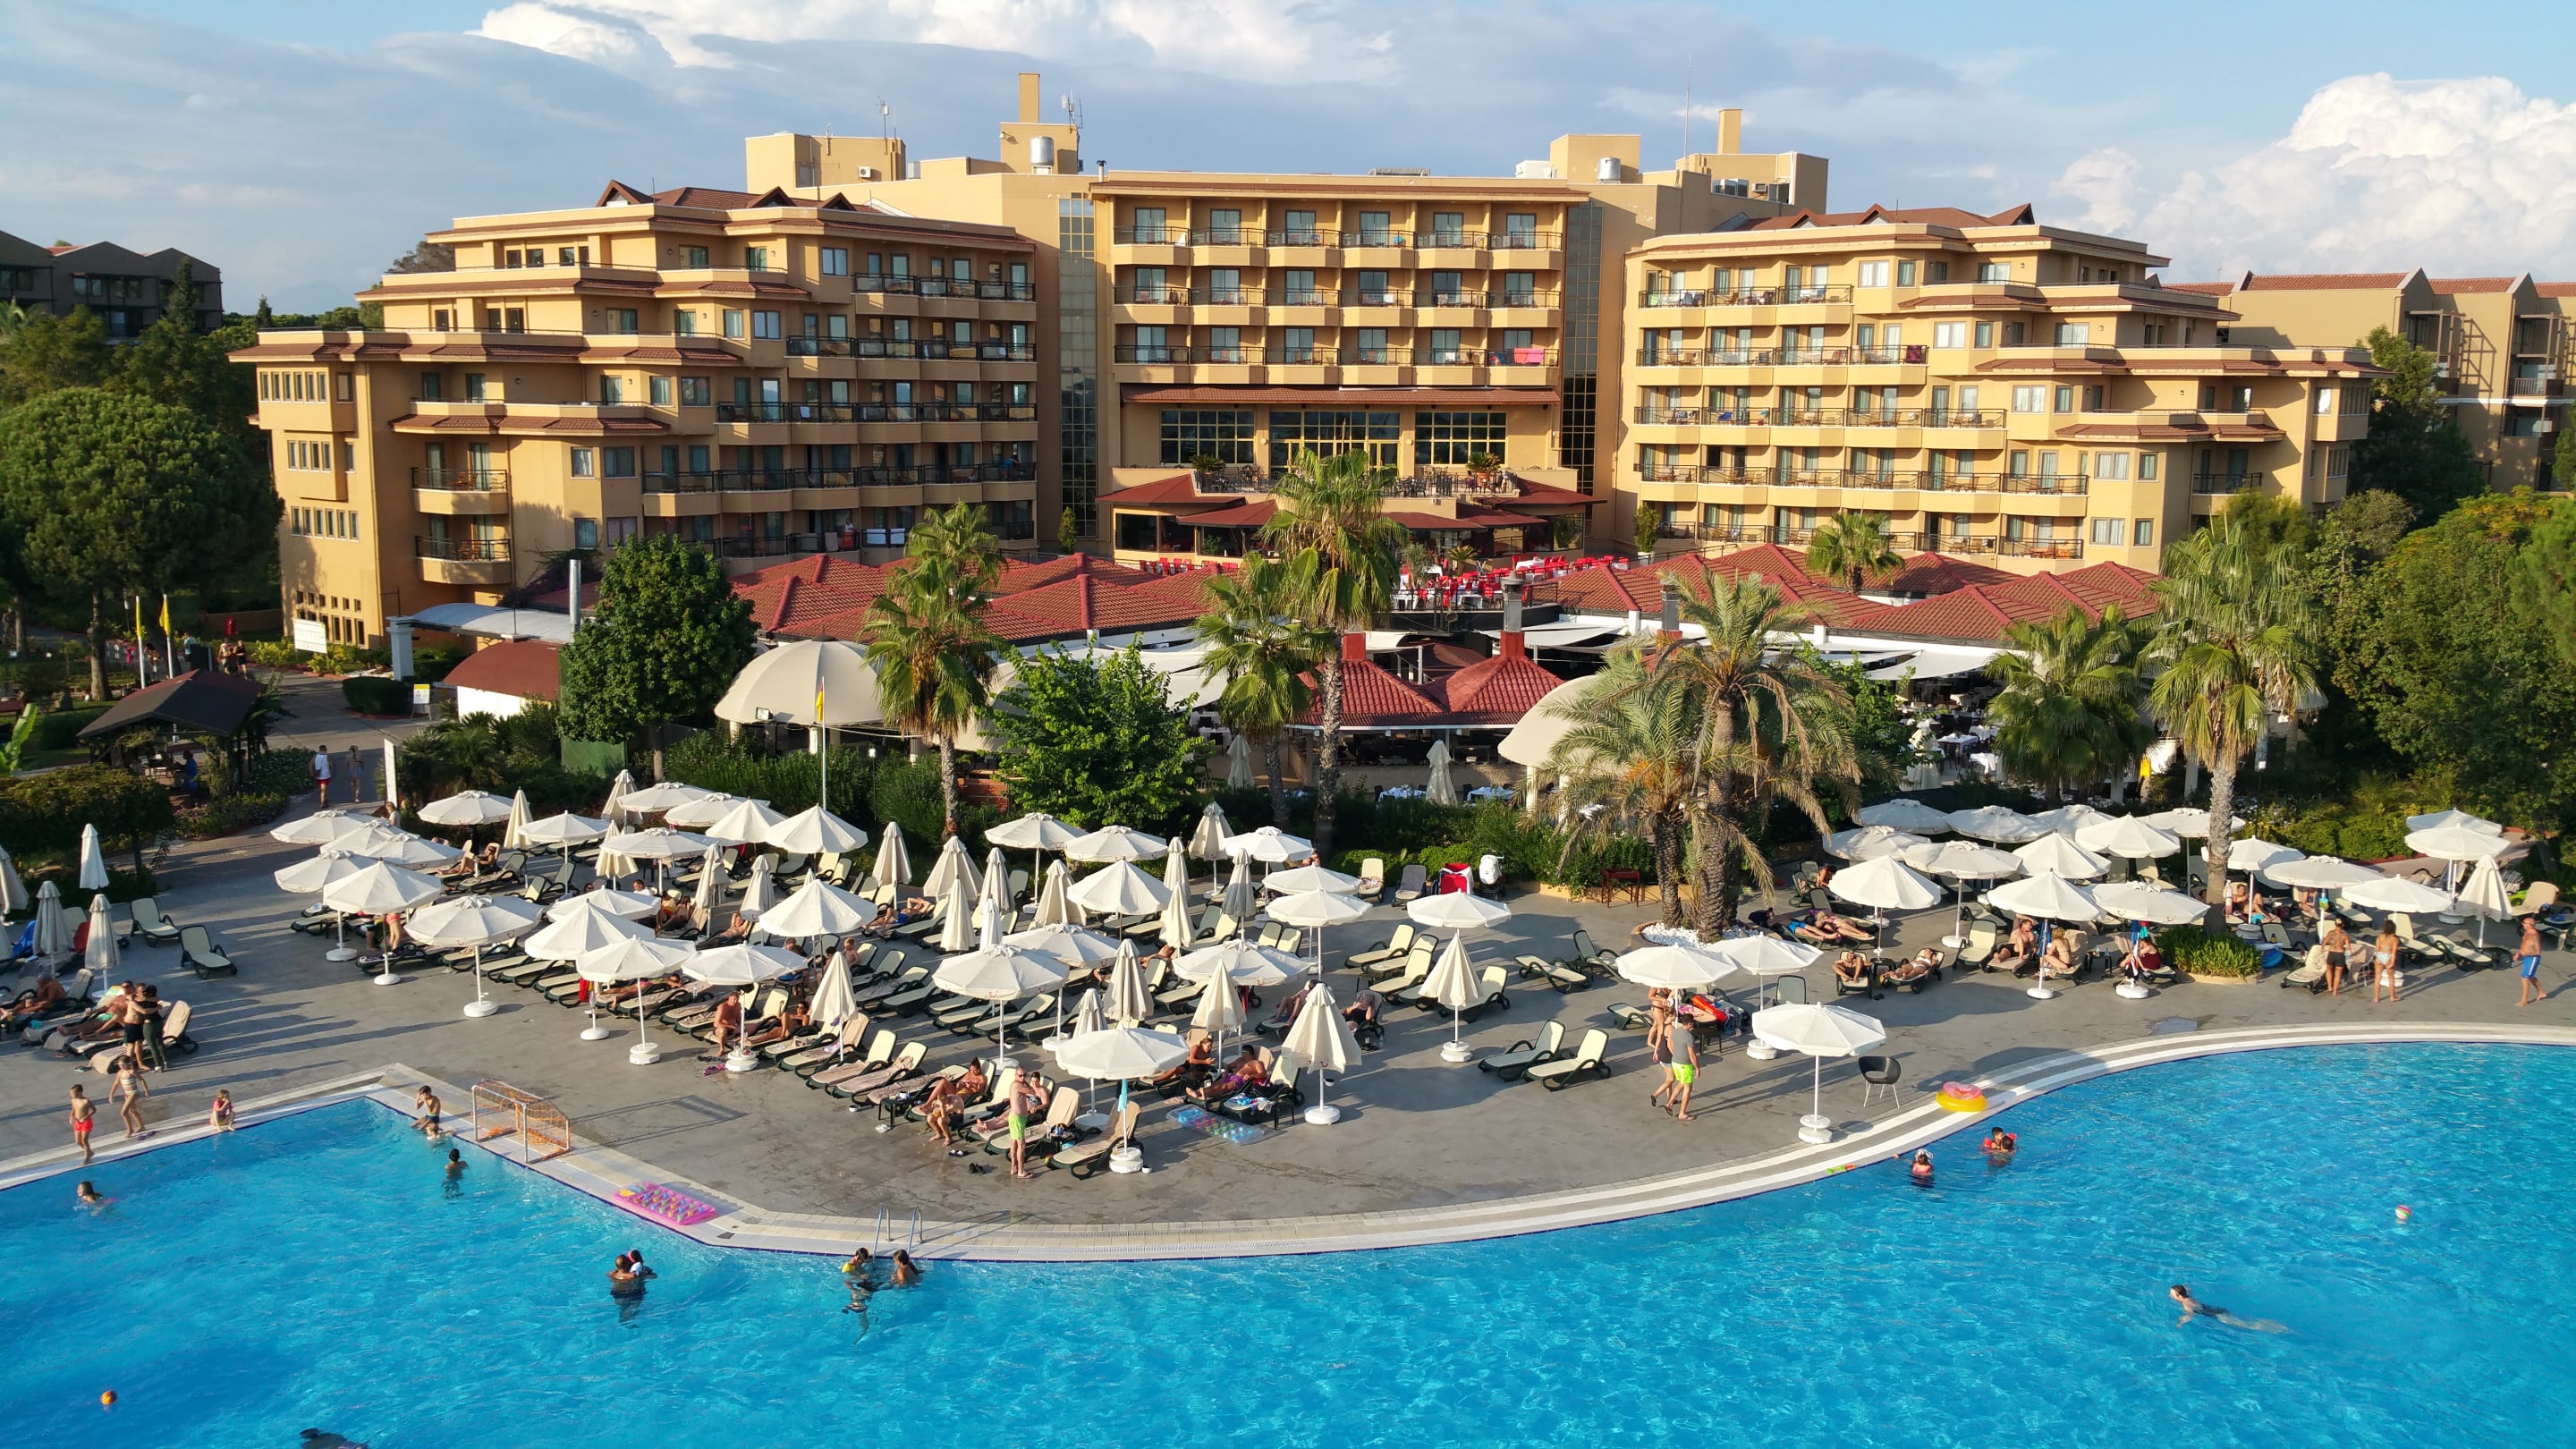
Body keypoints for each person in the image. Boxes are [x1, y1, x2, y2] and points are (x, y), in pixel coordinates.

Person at [2169, 1284, 2286, 1332]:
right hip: (2218, 1310)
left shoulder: (2186, 1304)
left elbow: (2190, 1315)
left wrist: (2181, 1322)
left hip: (2218, 1316)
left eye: (2172, 1294)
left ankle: (2274, 1328)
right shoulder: (2189, 1297)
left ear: (2179, 1296)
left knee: (2248, 1325)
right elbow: (2188, 1289)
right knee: (2244, 1320)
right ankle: (2270, 1324)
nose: (2170, 1295)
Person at [1006, 1069, 1046, 1179]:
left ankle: (1014, 1167)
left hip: (1016, 1117)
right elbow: (1032, 1092)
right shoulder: (1017, 1085)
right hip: (1017, 1118)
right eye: (1020, 1076)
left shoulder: (1016, 1084)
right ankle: (1021, 1170)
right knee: (1021, 1144)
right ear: (1015, 1075)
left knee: (1014, 1143)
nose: (1023, 1078)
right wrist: (1026, 1083)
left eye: (1024, 1075)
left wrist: (1024, 1082)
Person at [110, 1054, 151, 1141]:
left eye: (122, 1065)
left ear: (128, 1064)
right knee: (132, 1111)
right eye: (119, 1065)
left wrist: (146, 1091)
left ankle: (130, 1130)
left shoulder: (131, 1072)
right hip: (127, 1094)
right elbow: (116, 1084)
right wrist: (111, 1094)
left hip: (134, 1093)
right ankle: (141, 1126)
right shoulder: (120, 1073)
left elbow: (142, 1080)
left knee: (123, 1112)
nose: (120, 1066)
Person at [2371, 924, 2402, 1004]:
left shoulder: (2380, 937)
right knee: (2391, 978)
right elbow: (2394, 953)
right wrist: (2392, 963)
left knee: (2377, 978)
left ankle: (2376, 998)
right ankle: (2392, 997)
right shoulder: (2395, 939)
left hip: (2380, 956)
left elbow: (2377, 949)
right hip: (2388, 956)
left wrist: (2377, 958)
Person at [2519, 917, 2545, 1007]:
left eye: (2524, 923)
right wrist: (2518, 953)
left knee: (2524, 977)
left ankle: (2524, 1000)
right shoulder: (2527, 932)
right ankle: (2541, 992)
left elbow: (2538, 951)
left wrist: (2526, 953)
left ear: (2530, 925)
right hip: (2527, 957)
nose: (2523, 924)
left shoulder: (2534, 935)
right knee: (2531, 976)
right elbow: (2524, 944)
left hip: (2532, 958)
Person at [2320, 919, 2351, 996]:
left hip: (2331, 953)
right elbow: (2348, 947)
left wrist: (2322, 948)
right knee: (2338, 974)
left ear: (2335, 924)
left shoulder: (2330, 933)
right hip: (2340, 954)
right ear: (2342, 925)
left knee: (2329, 970)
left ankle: (2329, 987)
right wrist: (2343, 947)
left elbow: (2324, 942)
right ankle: (2335, 991)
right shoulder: (2345, 935)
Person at [69, 1084, 97, 1166]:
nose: (71, 1095)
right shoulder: (73, 1100)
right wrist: (71, 1117)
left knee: (84, 1140)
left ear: (80, 1093)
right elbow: (74, 1109)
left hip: (86, 1122)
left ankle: (87, 1158)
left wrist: (86, 1117)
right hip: (78, 1122)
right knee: (78, 1141)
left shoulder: (86, 1101)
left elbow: (94, 1110)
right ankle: (90, 1152)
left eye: (73, 1094)